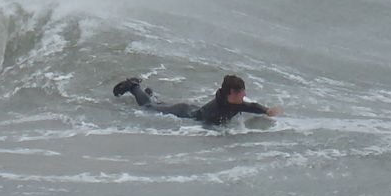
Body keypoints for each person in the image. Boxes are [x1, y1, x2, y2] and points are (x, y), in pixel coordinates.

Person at [111, 74, 282, 126]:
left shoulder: (232, 102)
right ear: (231, 93)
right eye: (241, 93)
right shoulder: (220, 106)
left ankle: (150, 93)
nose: (244, 96)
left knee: (158, 104)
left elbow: (251, 106)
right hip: (185, 113)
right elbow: (208, 126)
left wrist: (267, 110)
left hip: (190, 108)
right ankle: (133, 86)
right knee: (149, 107)